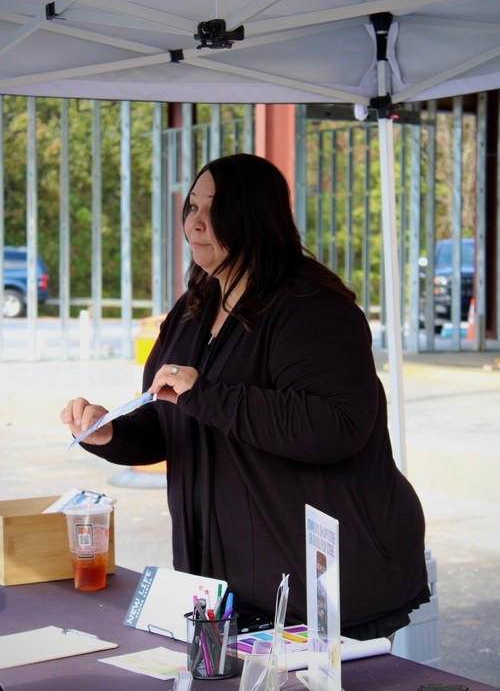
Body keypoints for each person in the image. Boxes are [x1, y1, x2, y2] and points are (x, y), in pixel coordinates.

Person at [61, 153, 430, 639]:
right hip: (224, 589)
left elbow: (336, 427)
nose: (195, 222)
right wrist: (109, 432)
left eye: (214, 210)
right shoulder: (194, 307)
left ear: (255, 218)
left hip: (317, 589)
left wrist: (208, 395)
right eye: (192, 207)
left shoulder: (312, 307)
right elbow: (173, 421)